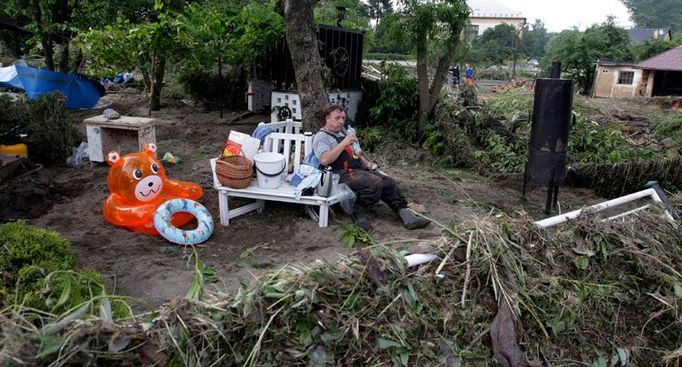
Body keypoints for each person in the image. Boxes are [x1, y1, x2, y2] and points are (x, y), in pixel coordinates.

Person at [312, 105, 430, 231]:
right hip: (338, 174)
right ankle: (358, 213)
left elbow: (355, 152)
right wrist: (343, 143)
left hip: (357, 170)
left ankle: (405, 214)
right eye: (337, 118)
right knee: (374, 182)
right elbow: (325, 160)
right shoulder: (321, 137)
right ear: (327, 119)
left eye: (343, 118)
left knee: (388, 182)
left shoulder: (343, 132)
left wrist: (367, 163)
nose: (341, 121)